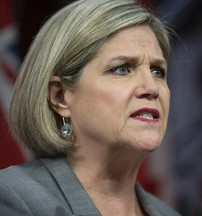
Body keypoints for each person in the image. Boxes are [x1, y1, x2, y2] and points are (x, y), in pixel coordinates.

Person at [0, 0, 181, 215]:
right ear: (60, 97)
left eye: (158, 71)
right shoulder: (14, 197)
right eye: (122, 69)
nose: (152, 88)